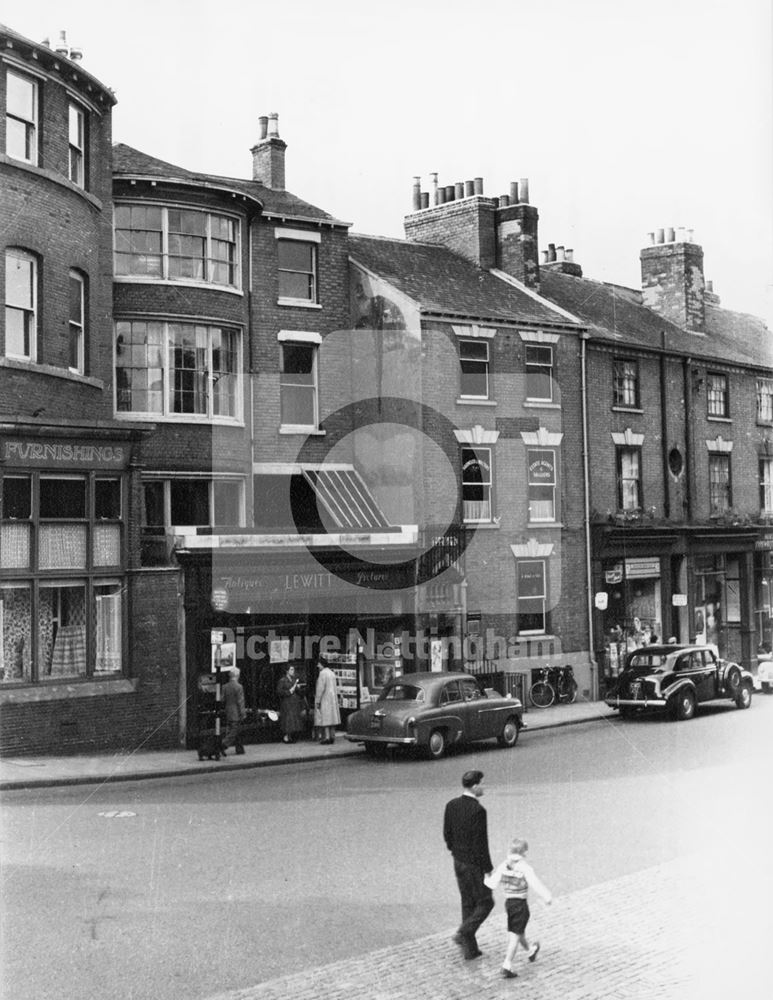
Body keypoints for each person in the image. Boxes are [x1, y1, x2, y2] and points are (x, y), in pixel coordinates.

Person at [443, 770, 494, 960]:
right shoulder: (478, 811)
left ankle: (470, 950)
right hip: (473, 864)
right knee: (486, 902)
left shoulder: (451, 805)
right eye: (482, 783)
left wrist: (455, 851)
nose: (484, 787)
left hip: (458, 861)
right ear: (474, 786)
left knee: (467, 903)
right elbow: (481, 842)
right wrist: (487, 868)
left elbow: (447, 834)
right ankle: (463, 932)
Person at [485, 836, 552, 979]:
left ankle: (530, 950)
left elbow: (491, 884)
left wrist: (486, 876)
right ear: (524, 853)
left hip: (509, 904)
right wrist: (547, 897)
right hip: (520, 905)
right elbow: (535, 884)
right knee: (515, 936)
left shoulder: (503, 866)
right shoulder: (524, 867)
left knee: (518, 931)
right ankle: (507, 964)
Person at [314, 659, 340, 745]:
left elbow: (320, 688)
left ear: (322, 664)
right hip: (332, 699)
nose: (318, 666)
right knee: (332, 718)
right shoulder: (332, 673)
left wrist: (317, 700)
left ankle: (327, 737)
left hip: (325, 698)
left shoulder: (322, 674)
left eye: (319, 664)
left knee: (325, 718)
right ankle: (333, 736)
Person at [221, 667, 246, 756]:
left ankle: (240, 749)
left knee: (235, 730)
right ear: (237, 675)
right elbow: (240, 701)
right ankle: (223, 745)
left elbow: (222, 699)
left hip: (228, 711)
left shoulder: (225, 686)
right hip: (236, 712)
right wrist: (243, 713)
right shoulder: (239, 687)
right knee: (234, 731)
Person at [277, 664, 304, 744]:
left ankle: (291, 736)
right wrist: (288, 692)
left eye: (293, 670)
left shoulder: (294, 680)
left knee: (293, 720)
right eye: (291, 670)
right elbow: (279, 692)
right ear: (287, 671)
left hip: (294, 703)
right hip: (287, 703)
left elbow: (298, 691)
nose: (293, 671)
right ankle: (286, 736)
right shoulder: (282, 680)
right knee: (287, 720)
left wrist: (299, 689)